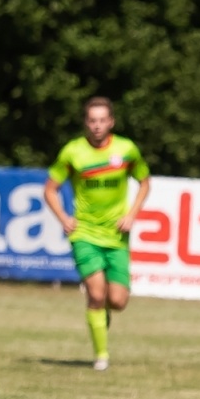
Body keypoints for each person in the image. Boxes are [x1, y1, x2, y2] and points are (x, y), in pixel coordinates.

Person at [43, 96, 151, 371]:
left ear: (111, 122)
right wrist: (64, 218)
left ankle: (103, 315)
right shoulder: (73, 152)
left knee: (117, 300)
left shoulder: (126, 150)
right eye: (92, 120)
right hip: (85, 234)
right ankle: (101, 356)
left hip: (116, 236)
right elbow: (50, 189)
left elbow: (144, 182)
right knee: (95, 293)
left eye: (103, 120)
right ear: (85, 123)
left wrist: (132, 215)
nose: (97, 126)